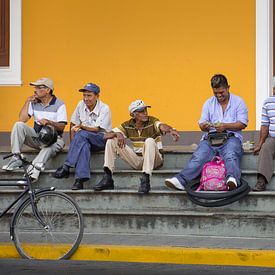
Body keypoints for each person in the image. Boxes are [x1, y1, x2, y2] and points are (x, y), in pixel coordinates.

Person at [165, 74, 248, 191]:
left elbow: (243, 123)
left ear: (228, 88)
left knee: (231, 153)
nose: (219, 95)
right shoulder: (208, 103)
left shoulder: (239, 102)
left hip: (231, 137)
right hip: (211, 138)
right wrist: (204, 126)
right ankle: (180, 180)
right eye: (215, 93)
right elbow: (202, 124)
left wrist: (225, 126)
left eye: (221, 92)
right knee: (199, 157)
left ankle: (232, 179)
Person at [93, 99, 180, 194]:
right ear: (133, 114)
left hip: (155, 161)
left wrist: (170, 130)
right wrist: (117, 133)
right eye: (141, 111)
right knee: (111, 140)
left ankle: (146, 180)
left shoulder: (152, 121)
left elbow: (161, 126)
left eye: (145, 110)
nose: (145, 113)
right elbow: (105, 135)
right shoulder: (127, 125)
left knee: (149, 141)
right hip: (137, 161)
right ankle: (108, 177)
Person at [2, 77, 67, 182]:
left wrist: (49, 122)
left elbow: (62, 126)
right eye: (34, 87)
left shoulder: (59, 104)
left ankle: (30, 176)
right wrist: (27, 101)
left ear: (48, 90)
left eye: (38, 87)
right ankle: (17, 157)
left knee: (47, 149)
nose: (35, 90)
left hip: (55, 140)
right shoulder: (34, 103)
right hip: (37, 138)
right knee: (18, 125)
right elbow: (22, 119)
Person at [54, 82, 112, 190]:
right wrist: (73, 144)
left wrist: (81, 127)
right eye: (84, 95)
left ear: (97, 96)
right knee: (83, 145)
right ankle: (80, 180)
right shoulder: (80, 104)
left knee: (81, 134)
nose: (86, 99)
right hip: (84, 138)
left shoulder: (105, 108)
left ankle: (66, 167)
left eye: (89, 95)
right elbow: (72, 123)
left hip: (101, 139)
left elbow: (96, 129)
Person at [253, 82, 275, 191]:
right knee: (265, 148)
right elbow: (265, 125)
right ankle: (261, 181)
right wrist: (260, 144)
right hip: (273, 138)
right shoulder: (268, 102)